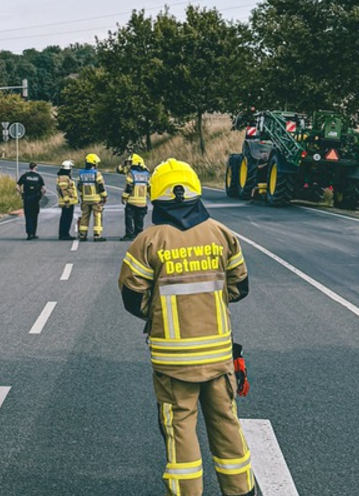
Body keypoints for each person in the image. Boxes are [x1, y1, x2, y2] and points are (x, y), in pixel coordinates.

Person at [118, 159, 255, 496]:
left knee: (180, 428)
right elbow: (240, 287)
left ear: (156, 196)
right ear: (195, 190)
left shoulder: (147, 242)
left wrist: (161, 314)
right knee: (226, 423)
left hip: (173, 361)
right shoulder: (222, 234)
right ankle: (240, 489)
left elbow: (132, 298)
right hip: (218, 356)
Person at [76, 153, 107, 241]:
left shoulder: (81, 173)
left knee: (84, 216)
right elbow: (101, 187)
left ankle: (82, 235)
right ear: (94, 163)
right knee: (97, 216)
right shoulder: (97, 174)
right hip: (96, 200)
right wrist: (104, 196)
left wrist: (83, 195)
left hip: (85, 200)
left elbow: (79, 187)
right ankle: (97, 235)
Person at [121, 154, 151, 241]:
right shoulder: (146, 174)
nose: (129, 164)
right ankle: (139, 234)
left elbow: (129, 188)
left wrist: (124, 197)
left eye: (131, 162)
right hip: (142, 202)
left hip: (132, 201)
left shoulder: (131, 174)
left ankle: (129, 234)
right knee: (140, 219)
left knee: (129, 218)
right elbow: (149, 187)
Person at [17, 162, 46, 240]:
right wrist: (40, 196)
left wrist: (22, 194)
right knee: (34, 216)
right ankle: (33, 233)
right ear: (35, 167)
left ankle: (29, 233)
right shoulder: (38, 177)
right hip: (35, 199)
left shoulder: (25, 176)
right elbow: (44, 189)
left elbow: (17, 187)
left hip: (27, 198)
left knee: (28, 216)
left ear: (29, 167)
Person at [56, 160, 79, 240]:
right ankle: (64, 234)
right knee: (66, 218)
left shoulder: (65, 176)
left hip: (69, 201)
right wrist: (66, 200)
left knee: (66, 218)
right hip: (67, 202)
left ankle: (65, 234)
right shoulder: (64, 177)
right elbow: (63, 189)